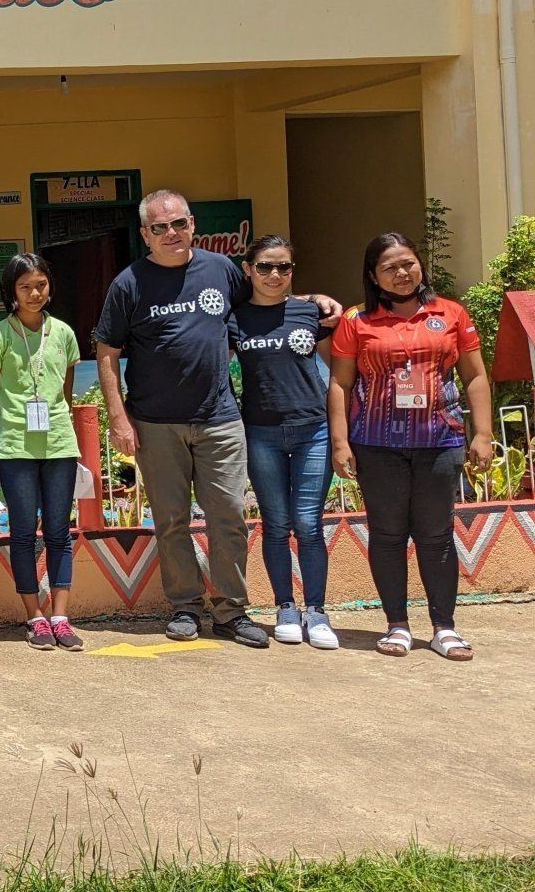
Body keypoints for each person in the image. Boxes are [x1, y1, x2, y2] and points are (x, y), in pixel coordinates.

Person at [95, 189, 339, 647]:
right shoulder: (128, 283)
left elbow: (267, 295)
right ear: (145, 234)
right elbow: (107, 352)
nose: (172, 233)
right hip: (155, 422)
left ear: (192, 225)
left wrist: (311, 299)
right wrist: (119, 417)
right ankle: (185, 606)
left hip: (221, 418)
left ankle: (231, 611)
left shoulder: (221, 269)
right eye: (160, 227)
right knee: (171, 520)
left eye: (179, 224)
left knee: (228, 516)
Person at [329, 232, 491, 661]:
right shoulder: (356, 321)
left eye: (408, 264)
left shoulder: (451, 313)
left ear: (420, 265)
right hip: (377, 445)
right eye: (390, 267)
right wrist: (341, 442)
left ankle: (444, 628)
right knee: (387, 535)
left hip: (440, 442)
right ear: (372, 276)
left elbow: (475, 376)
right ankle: (397, 625)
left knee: (436, 536)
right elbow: (341, 383)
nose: (402, 274)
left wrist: (482, 432)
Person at [231, 235, 338, 650]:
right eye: (265, 267)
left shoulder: (311, 313)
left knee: (309, 526)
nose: (274, 275)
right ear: (248, 270)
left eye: (284, 268)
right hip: (261, 432)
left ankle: (317, 610)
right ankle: (285, 607)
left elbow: (338, 373)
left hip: (314, 430)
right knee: (276, 526)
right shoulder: (235, 318)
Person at [0, 253, 83, 651]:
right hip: (17, 447)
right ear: (11, 293)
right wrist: (5, 436)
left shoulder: (65, 334)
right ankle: (34, 616)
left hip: (58, 444)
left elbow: (65, 393)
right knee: (23, 532)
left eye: (40, 284)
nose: (34, 293)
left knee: (59, 531)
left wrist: (56, 423)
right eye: (25, 287)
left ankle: (60, 615)